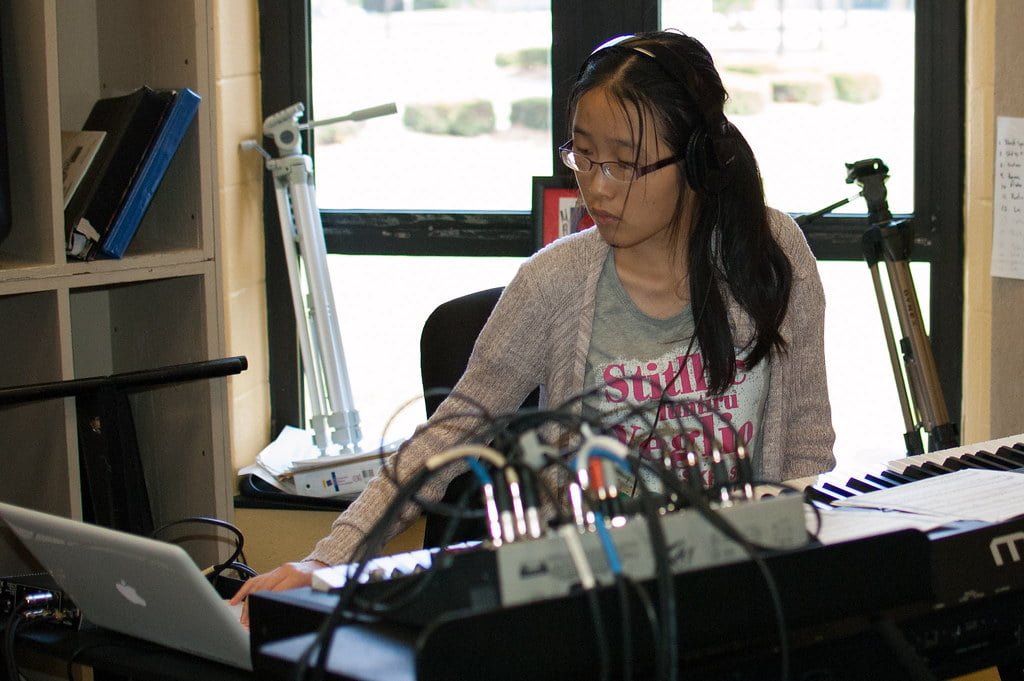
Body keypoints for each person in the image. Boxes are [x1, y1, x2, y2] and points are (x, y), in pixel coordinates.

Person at [232, 29, 835, 621]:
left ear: (698, 160)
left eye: (625, 164)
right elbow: (447, 437)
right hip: (597, 607)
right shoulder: (554, 282)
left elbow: (806, 441)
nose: (596, 187)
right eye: (584, 156)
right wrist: (326, 562)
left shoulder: (771, 248)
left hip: (749, 589)